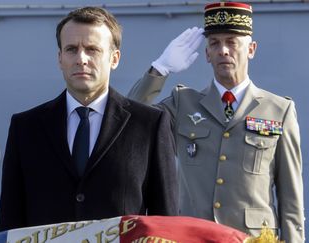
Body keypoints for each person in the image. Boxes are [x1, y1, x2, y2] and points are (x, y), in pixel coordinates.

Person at [128, 2, 304, 242]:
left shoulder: (278, 110)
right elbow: (131, 119)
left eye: (232, 42)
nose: (223, 50)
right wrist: (160, 70)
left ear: (251, 49)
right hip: (193, 236)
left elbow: (291, 199)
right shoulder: (183, 104)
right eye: (214, 43)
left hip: (252, 238)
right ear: (207, 54)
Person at [0, 6, 177, 233]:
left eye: (92, 49)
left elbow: (167, 224)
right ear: (60, 58)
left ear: (114, 58)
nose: (81, 59)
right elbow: (9, 222)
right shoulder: (25, 128)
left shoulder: (150, 125)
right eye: (71, 49)